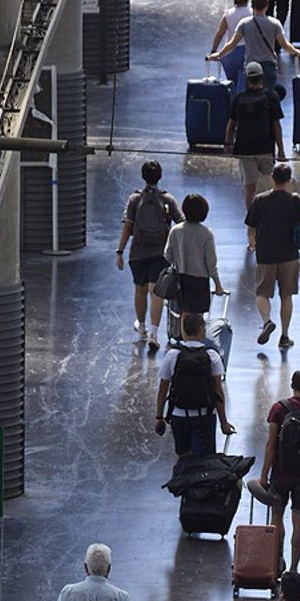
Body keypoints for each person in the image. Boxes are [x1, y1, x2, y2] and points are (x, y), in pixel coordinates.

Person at [248, 372, 300, 574]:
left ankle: (276, 562)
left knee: (277, 515)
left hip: (281, 473)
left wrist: (264, 474)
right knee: (299, 521)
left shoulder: (279, 409)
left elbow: (271, 444)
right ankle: (294, 568)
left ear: (292, 385)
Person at [246, 165, 300, 351]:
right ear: (289, 180)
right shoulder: (295, 199)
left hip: (265, 254)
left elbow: (251, 226)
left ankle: (267, 321)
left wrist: (252, 243)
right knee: (286, 296)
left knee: (262, 293)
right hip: (289, 255)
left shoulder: (260, 200)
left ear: (272, 178)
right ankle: (284, 336)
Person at [116, 161, 181, 348]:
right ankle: (154, 334)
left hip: (138, 252)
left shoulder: (134, 199)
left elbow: (127, 227)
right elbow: (181, 222)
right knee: (156, 292)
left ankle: (142, 326)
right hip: (161, 252)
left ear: (143, 176)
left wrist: (120, 251)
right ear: (160, 176)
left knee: (140, 289)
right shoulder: (167, 199)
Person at [156, 312, 232, 464]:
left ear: (184, 330)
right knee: (204, 463)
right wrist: (224, 422)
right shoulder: (212, 356)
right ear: (202, 330)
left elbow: (163, 389)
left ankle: (183, 478)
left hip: (179, 415)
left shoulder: (173, 355)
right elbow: (218, 391)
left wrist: (159, 417)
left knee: (183, 458)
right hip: (205, 416)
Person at [225, 64, 285, 218]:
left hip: (245, 150)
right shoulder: (271, 97)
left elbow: (231, 124)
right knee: (269, 186)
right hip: (266, 149)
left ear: (246, 78)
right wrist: (281, 149)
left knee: (250, 188)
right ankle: (268, 218)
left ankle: (252, 220)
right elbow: (276, 125)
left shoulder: (239, 98)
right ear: (262, 77)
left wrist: (228, 143)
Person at [218, 0, 299, 90]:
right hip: (268, 64)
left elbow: (232, 44)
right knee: (269, 93)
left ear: (252, 6)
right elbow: (284, 45)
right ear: (267, 6)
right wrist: (295, 51)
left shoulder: (244, 23)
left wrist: (219, 54)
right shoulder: (274, 23)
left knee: (251, 94)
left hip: (251, 65)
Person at [161, 193, 221, 323]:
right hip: (200, 281)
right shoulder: (206, 233)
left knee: (184, 314)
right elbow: (211, 263)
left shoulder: (175, 230)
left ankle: (184, 335)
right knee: (198, 316)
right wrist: (218, 284)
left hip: (181, 279)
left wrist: (177, 262)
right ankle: (197, 335)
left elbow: (167, 254)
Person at [208, 0, 253, 79]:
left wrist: (214, 50)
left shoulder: (228, 14)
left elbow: (220, 33)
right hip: (247, 51)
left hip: (229, 52)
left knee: (232, 81)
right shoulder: (252, 13)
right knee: (245, 79)